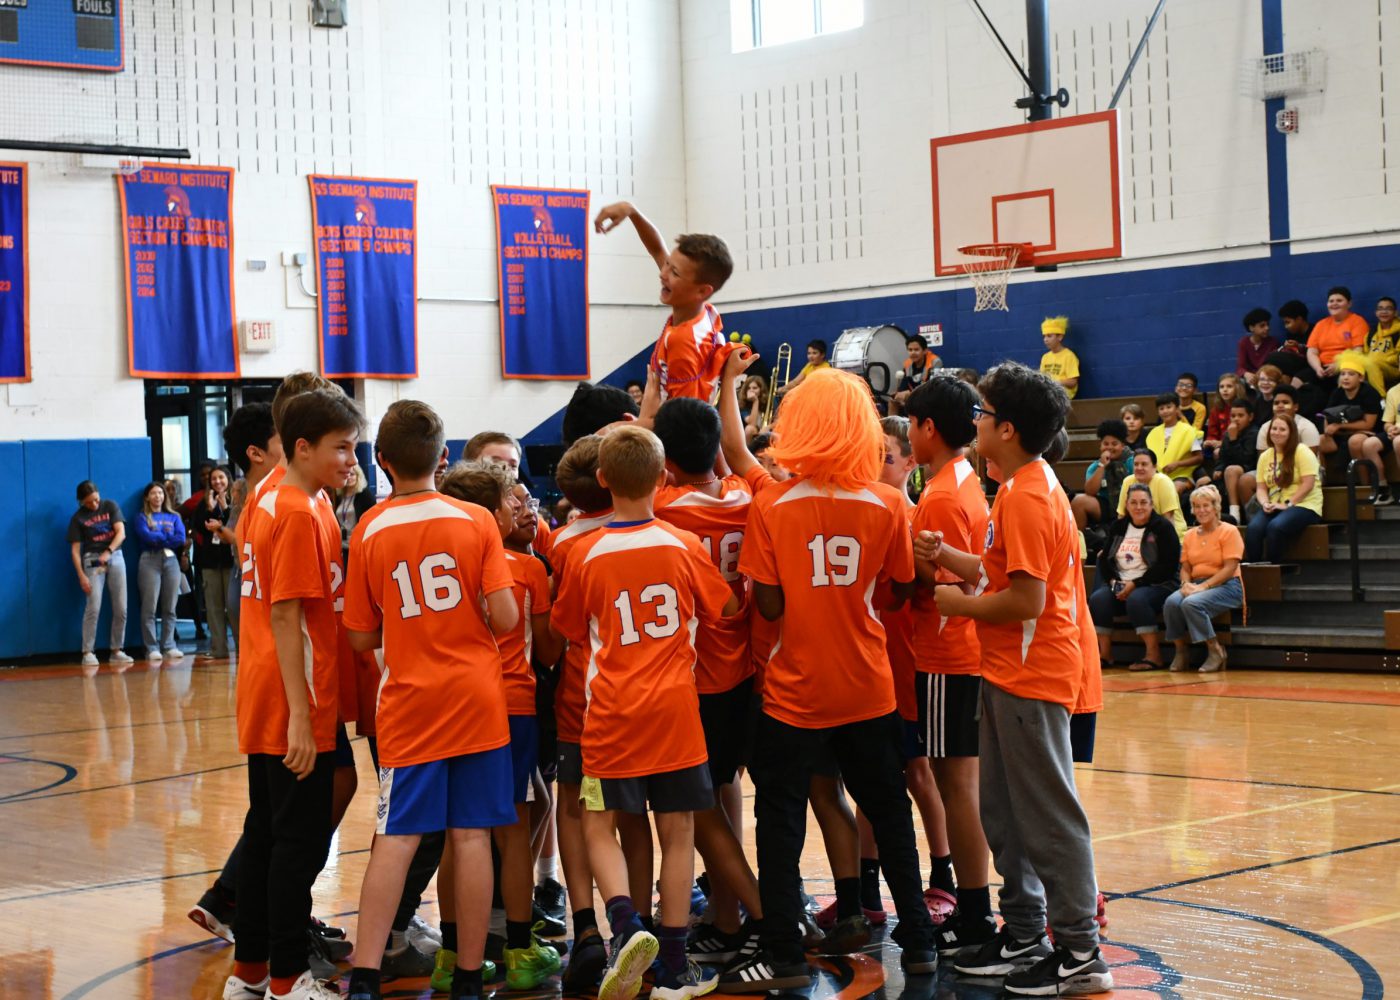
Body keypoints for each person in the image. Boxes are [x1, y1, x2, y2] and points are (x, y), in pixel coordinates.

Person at [732, 366, 939, 991]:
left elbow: (767, 606)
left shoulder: (771, 503)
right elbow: (902, 589)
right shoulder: (886, 503)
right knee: (890, 813)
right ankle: (920, 940)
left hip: (795, 687)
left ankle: (785, 953)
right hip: (867, 682)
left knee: (781, 819)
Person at [929, 361, 1111, 996]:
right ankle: (1027, 931)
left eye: (982, 414)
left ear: (1006, 428)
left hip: (1034, 675)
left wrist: (958, 605)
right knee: (1003, 813)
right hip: (1008, 670)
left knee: (1048, 816)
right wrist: (950, 559)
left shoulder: (1030, 496)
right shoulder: (1019, 487)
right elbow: (1000, 573)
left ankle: (1081, 952)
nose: (974, 422)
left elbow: (1027, 602)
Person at [551, 426, 736, 1000]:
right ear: (662, 479)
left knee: (597, 824)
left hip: (610, 715)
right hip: (676, 713)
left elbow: (564, 629)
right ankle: (675, 969)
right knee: (679, 833)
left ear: (602, 480)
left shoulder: (583, 552)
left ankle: (627, 925)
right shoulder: (681, 544)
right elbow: (726, 607)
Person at [341, 401, 518, 1000]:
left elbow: (361, 636)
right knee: (471, 836)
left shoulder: (367, 529)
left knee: (396, 838)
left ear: (382, 461)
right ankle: (468, 978)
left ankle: (364, 978)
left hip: (410, 705)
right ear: (444, 459)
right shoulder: (476, 521)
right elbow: (506, 615)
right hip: (477, 700)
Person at [224, 387, 365, 1000]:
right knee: (297, 846)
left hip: (264, 688)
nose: (350, 458)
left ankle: (250, 973)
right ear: (302, 447)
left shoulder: (268, 497)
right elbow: (288, 618)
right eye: (341, 447)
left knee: (266, 836)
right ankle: (287, 978)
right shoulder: (301, 512)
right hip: (293, 698)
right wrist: (304, 721)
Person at [649, 397, 770, 966]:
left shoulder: (663, 509)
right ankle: (728, 918)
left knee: (695, 806)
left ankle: (753, 914)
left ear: (665, 463)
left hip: (690, 677)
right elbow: (731, 471)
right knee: (724, 791)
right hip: (742, 669)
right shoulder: (748, 498)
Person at [438, 460, 565, 991]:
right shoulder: (527, 568)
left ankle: (450, 957)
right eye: (510, 502)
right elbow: (551, 650)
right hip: (511, 703)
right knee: (515, 830)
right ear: (489, 510)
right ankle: (518, 949)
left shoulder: (442, 559)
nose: (520, 507)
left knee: (456, 833)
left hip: (449, 703)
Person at [901, 377, 996, 956]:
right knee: (959, 784)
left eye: (911, 424)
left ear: (927, 428)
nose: (909, 433)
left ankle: (975, 909)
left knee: (955, 786)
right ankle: (975, 903)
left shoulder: (938, 496)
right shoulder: (964, 479)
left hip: (944, 652)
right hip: (962, 650)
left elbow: (942, 581)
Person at [594, 200, 734, 403]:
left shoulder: (684, 342)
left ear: (702, 291)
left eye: (674, 272)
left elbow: (683, 421)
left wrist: (626, 428)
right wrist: (631, 211)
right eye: (668, 264)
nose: (663, 274)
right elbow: (658, 249)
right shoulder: (703, 311)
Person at [1088, 484, 1181, 671]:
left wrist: (1135, 584)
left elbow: (1168, 566)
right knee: (1098, 600)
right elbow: (1105, 560)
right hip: (1121, 583)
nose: (1139, 507)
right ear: (1126, 505)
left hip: (1158, 585)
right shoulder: (1118, 527)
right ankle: (1105, 654)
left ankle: (1154, 655)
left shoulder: (1163, 527)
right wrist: (1114, 583)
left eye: (1143, 502)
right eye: (1134, 502)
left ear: (1152, 504)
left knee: (1137, 599)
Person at [1165, 486, 1244, 674]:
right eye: (1196, 506)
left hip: (1227, 585)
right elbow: (1185, 568)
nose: (1201, 510)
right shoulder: (1190, 534)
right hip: (1197, 583)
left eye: (1205, 505)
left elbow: (1230, 568)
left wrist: (1204, 587)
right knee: (1171, 602)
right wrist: (1185, 584)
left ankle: (1215, 650)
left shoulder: (1229, 531)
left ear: (1216, 507)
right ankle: (1181, 650)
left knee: (1191, 603)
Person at [69, 480, 132, 668]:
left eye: (95, 500)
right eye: (88, 503)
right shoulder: (78, 518)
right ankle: (87, 651)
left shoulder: (110, 506)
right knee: (93, 606)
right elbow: (75, 551)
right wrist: (81, 575)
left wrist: (109, 551)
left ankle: (116, 650)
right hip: (92, 560)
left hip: (115, 555)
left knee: (121, 606)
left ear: (99, 494)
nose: (94, 505)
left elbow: (121, 533)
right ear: (80, 502)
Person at [1247, 417, 1324, 564]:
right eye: (1274, 429)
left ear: (1291, 433)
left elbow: (1308, 484)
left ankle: (1274, 571)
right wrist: (1264, 503)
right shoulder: (1265, 456)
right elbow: (1261, 487)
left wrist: (1288, 504)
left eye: (1282, 429)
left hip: (1305, 505)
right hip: (1275, 505)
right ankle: (1254, 571)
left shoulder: (1302, 451)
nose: (1277, 432)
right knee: (1253, 529)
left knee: (1275, 527)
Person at [1318, 353, 1391, 504]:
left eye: (1351, 374)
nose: (1345, 378)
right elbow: (1328, 415)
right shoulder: (1337, 393)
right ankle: (1321, 485)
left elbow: (1368, 424)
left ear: (1361, 378)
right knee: (1317, 441)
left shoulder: (1369, 393)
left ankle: (1366, 487)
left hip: (1369, 433)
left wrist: (1339, 426)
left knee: (1355, 441)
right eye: (1343, 374)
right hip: (1342, 433)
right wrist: (1327, 430)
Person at [132, 481, 186, 664]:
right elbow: (145, 535)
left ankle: (169, 645)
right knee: (150, 606)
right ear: (147, 497)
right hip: (149, 560)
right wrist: (166, 538)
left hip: (171, 561)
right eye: (154, 493)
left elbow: (181, 538)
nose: (158, 497)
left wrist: (159, 538)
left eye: (161, 493)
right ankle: (151, 647)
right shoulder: (141, 516)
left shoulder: (174, 516)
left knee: (170, 606)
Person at [194, 465, 235, 659]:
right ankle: (219, 648)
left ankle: (243, 648)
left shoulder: (236, 498)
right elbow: (200, 528)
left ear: (228, 478)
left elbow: (236, 525)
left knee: (234, 607)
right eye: (213, 479)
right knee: (213, 608)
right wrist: (210, 509)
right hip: (210, 561)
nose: (217, 482)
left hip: (232, 561)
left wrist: (225, 510)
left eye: (221, 478)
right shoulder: (204, 502)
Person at [1198, 401, 1258, 523]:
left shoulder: (1254, 433)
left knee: (1232, 470)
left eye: (1240, 416)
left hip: (1247, 470)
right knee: (1201, 482)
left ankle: (1235, 514)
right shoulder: (1228, 434)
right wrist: (1219, 468)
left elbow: (1246, 458)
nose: (1236, 419)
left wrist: (1234, 440)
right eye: (1233, 416)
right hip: (1228, 472)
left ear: (1250, 417)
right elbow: (1223, 457)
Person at [1070, 420, 1134, 531]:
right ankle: (1080, 542)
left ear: (1122, 446)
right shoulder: (1095, 466)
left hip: (1130, 501)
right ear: (1100, 446)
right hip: (1107, 504)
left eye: (1114, 444)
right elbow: (1090, 491)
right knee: (1078, 501)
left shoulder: (1132, 460)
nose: (1109, 447)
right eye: (1106, 444)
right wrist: (1102, 466)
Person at [1308, 286, 1369, 397]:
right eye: (1331, 301)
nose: (1334, 304)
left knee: (1344, 378)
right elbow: (1311, 351)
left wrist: (1338, 365)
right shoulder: (1321, 324)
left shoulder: (1357, 321)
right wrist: (1317, 368)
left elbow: (1358, 350)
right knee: (1299, 379)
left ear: (1349, 304)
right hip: (1321, 367)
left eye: (1339, 300)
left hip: (1345, 367)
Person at [1117, 448, 1185, 539]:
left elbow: (1168, 520)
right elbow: (1121, 516)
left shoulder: (1163, 481)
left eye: (1144, 464)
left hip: (1169, 536)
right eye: (1136, 464)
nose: (1139, 468)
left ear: (1154, 467)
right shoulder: (1127, 481)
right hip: (1137, 536)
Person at [1145, 393, 1204, 495]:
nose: (1165, 411)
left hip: (1182, 475)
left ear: (1177, 409)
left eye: (1169, 407)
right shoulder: (1153, 433)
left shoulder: (1188, 430)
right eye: (1161, 408)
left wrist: (1177, 464)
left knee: (1172, 491)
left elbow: (1199, 458)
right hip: (1157, 476)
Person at [891, 334, 942, 413]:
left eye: (916, 349)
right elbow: (903, 387)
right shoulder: (907, 364)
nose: (913, 353)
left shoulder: (935, 362)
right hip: (913, 398)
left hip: (928, 398)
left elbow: (933, 389)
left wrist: (909, 394)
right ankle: (892, 424)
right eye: (910, 350)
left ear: (925, 350)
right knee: (892, 401)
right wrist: (898, 394)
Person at [1364, 296, 1400, 393]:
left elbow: (1398, 358)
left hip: (1394, 369)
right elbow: (1366, 353)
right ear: (1376, 313)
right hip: (1374, 367)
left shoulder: (1398, 332)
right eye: (1380, 309)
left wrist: (1383, 359)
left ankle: (1381, 398)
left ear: (1395, 313)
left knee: (1373, 362)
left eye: (1388, 309)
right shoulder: (1371, 333)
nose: (1384, 312)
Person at [1038, 316, 1079, 398]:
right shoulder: (1045, 357)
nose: (1045, 339)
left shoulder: (1069, 356)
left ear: (1060, 337)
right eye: (1044, 336)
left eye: (1049, 336)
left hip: (1061, 397)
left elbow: (1073, 382)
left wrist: (1056, 382)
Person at [1237, 307, 1278, 387]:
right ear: (1251, 328)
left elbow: (1273, 366)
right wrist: (1246, 374)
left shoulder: (1273, 342)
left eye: (1268, 324)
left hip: (1266, 377)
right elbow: (1240, 367)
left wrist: (1260, 376)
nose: (1267, 328)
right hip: (1251, 378)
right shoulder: (1244, 342)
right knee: (1239, 381)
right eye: (1262, 326)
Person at [1203, 374, 1243, 457]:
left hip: (1239, 444)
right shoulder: (1216, 410)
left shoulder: (1243, 408)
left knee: (1219, 451)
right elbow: (1212, 432)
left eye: (1229, 386)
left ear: (1237, 388)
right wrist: (1210, 441)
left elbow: (1244, 433)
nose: (1225, 390)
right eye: (1221, 387)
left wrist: (1223, 443)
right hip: (1220, 445)